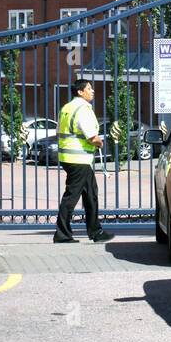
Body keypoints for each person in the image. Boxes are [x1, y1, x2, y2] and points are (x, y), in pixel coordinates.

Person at [53, 78, 114, 244]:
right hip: (78, 158)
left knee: (91, 194)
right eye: (89, 88)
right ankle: (62, 234)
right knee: (71, 197)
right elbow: (91, 137)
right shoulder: (83, 109)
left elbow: (59, 131)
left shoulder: (66, 108)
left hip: (70, 158)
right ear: (80, 92)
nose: (92, 91)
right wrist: (100, 142)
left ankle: (96, 231)